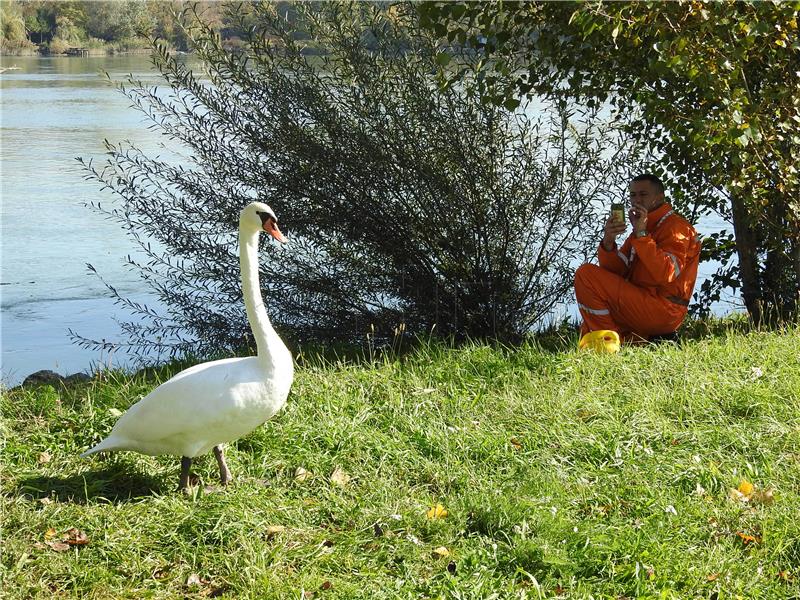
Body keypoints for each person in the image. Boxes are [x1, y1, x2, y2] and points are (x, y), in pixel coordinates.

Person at [573, 173, 701, 342]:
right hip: (646, 302)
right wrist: (608, 242)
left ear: (660, 197)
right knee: (591, 293)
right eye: (633, 195)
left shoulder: (677, 228)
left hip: (665, 309)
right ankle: (624, 340)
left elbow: (666, 274)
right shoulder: (645, 226)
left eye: (643, 194)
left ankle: (608, 345)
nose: (637, 200)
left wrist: (641, 234)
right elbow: (615, 271)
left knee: (586, 275)